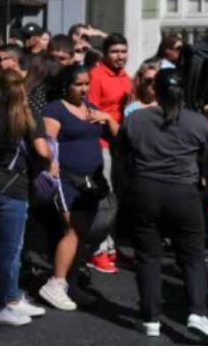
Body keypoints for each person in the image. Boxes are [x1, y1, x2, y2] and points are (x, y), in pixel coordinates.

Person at [119, 69, 208, 342]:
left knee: (149, 257)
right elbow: (205, 163)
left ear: (155, 91)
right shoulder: (199, 122)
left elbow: (123, 158)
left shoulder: (135, 119)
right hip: (183, 192)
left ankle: (150, 318)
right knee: (192, 256)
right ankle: (198, 312)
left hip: (145, 190)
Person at [0, 69, 50, 326]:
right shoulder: (26, 116)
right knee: (10, 250)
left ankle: (12, 297)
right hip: (13, 187)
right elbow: (42, 150)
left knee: (1, 247)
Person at [39, 65, 119, 312]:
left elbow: (120, 137)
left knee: (82, 233)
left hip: (90, 182)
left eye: (86, 84)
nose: (84, 89)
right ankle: (56, 283)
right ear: (67, 85)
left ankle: (71, 285)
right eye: (78, 84)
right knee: (73, 229)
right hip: (66, 180)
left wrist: (108, 118)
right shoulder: (56, 109)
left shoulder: (93, 110)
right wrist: (51, 165)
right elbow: (48, 141)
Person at [86, 32, 132, 274]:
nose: (120, 56)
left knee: (116, 199)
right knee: (104, 199)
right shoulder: (96, 76)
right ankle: (97, 250)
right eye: (115, 52)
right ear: (105, 53)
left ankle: (112, 248)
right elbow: (90, 111)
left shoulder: (127, 78)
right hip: (101, 144)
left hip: (120, 147)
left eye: (123, 51)